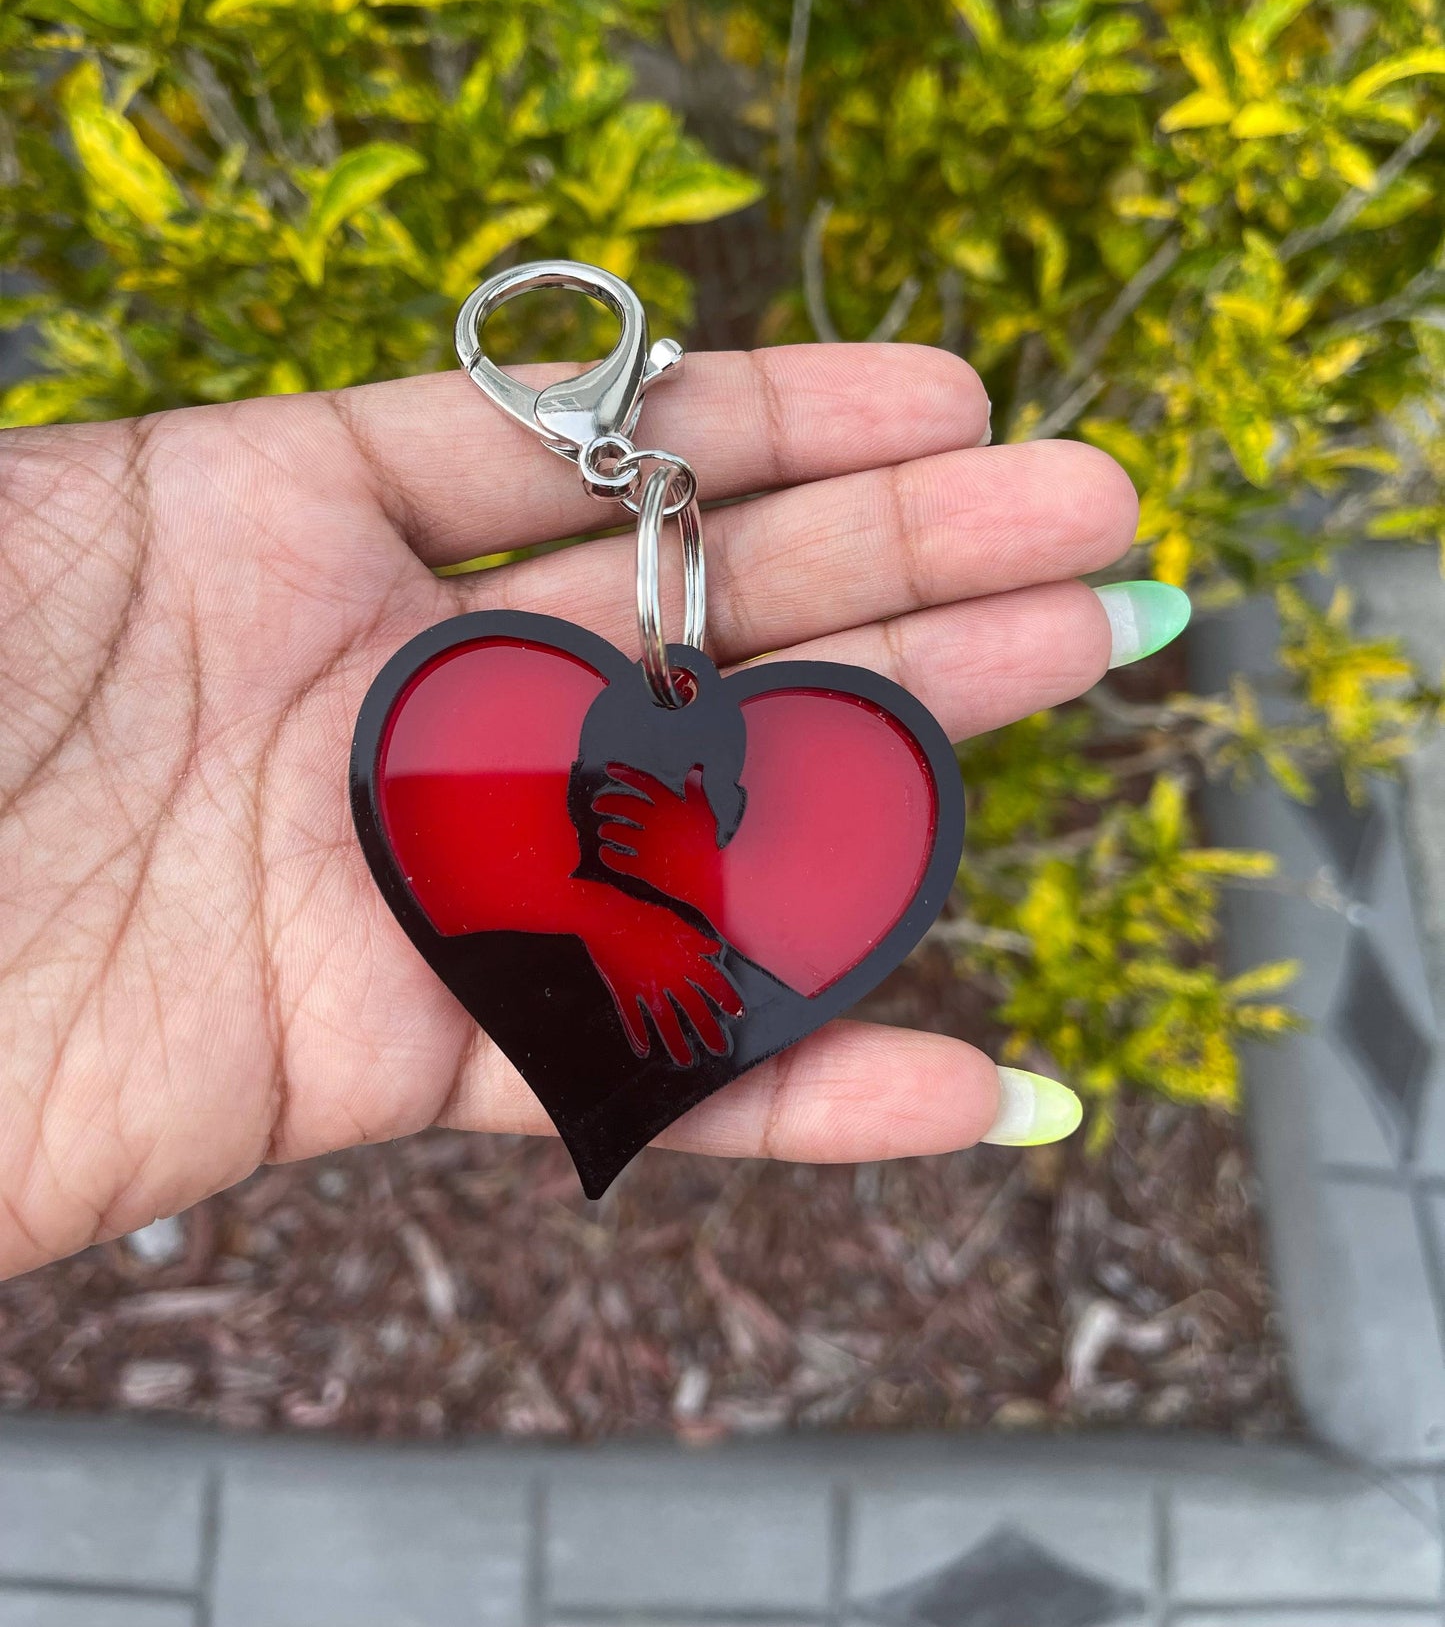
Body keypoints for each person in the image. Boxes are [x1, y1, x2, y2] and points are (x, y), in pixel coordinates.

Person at [0, 341, 1181, 1279]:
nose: (664, 816)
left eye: (692, 801)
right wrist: (602, 910)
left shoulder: (722, 898)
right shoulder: (478, 793)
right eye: (630, 793)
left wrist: (649, 905)